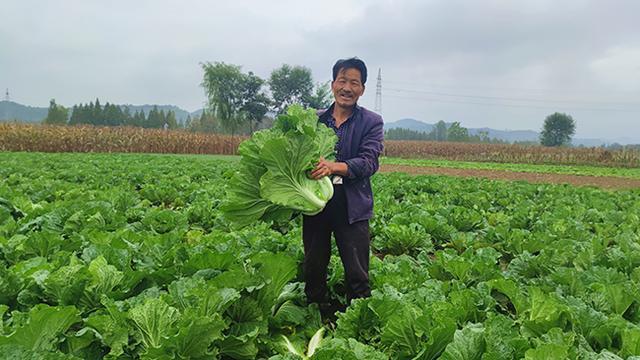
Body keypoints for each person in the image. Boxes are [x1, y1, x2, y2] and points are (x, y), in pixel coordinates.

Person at [305, 57, 384, 315]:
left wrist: (333, 166)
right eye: (342, 81)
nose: (347, 88)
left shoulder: (371, 122)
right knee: (314, 267)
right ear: (332, 85)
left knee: (357, 272)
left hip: (353, 206)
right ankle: (317, 317)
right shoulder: (314, 121)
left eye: (354, 82)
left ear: (361, 89)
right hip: (316, 204)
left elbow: (368, 162)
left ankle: (358, 321)